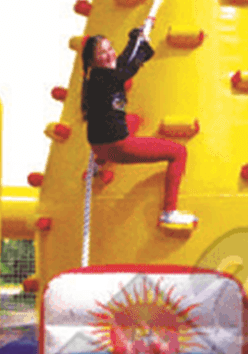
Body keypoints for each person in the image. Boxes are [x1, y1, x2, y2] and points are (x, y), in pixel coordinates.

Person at [80, 27, 196, 227]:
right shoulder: (108, 78)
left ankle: (98, 164)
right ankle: (169, 212)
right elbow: (129, 66)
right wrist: (140, 46)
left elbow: (122, 61)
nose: (109, 54)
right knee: (179, 152)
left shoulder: (96, 77)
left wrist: (134, 39)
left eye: (110, 49)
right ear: (93, 61)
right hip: (117, 147)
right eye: (102, 53)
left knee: (133, 120)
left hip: (98, 145)